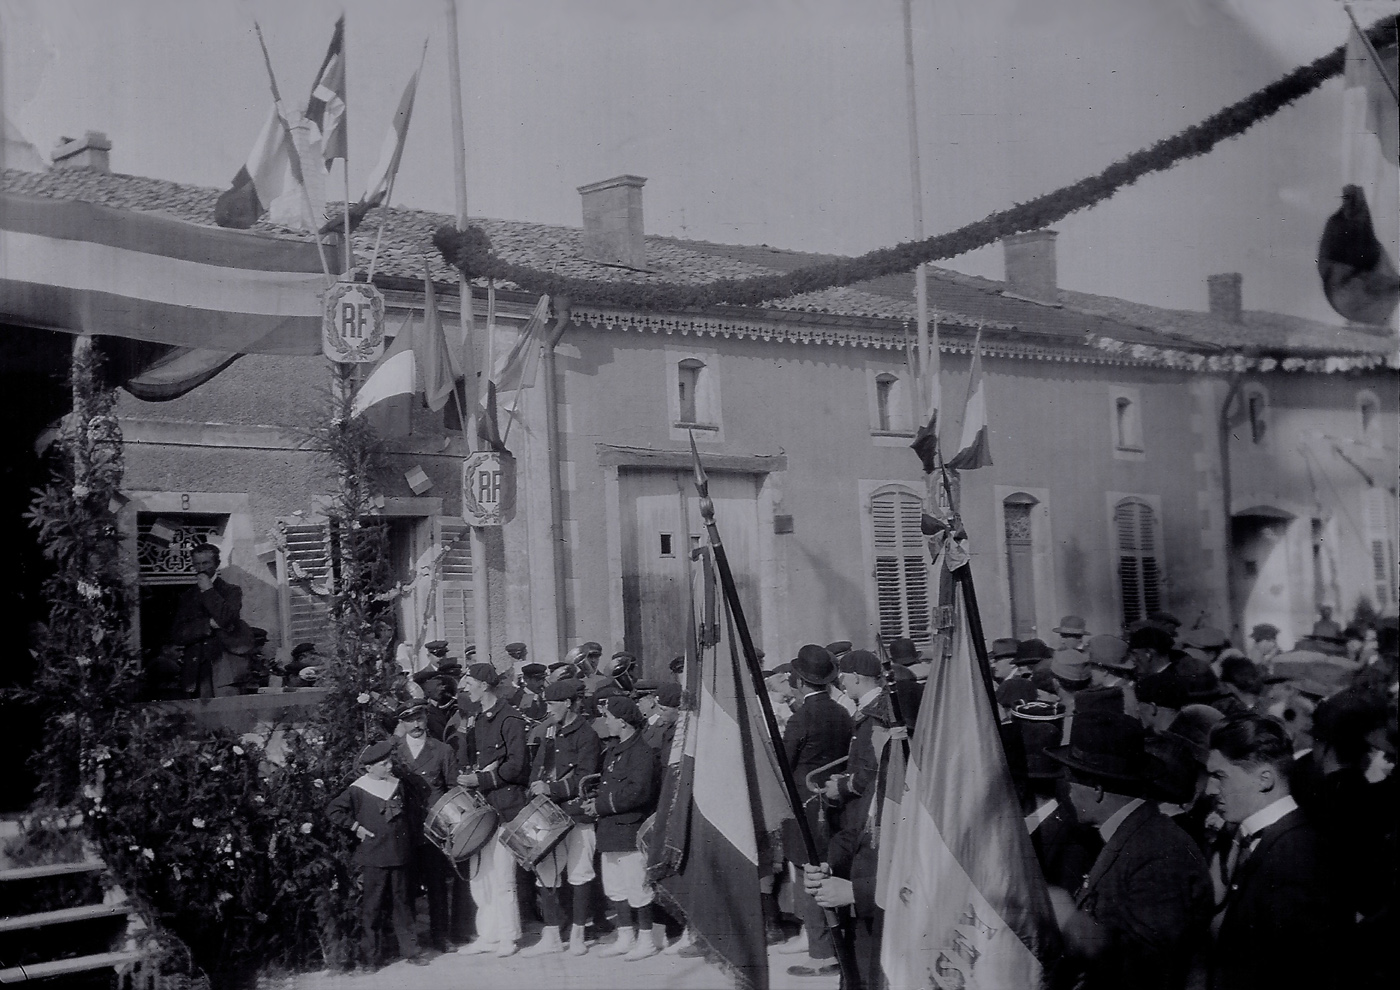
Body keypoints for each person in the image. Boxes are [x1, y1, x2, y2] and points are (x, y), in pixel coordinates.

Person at [1045, 712, 1212, 990]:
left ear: (1097, 789)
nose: (1067, 790)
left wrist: (1072, 922)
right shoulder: (1133, 836)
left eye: (1071, 776)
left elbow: (1150, 967)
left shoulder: (1158, 853)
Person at [1206, 714, 1344, 990]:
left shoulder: (1295, 857)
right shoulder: (1259, 840)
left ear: (1264, 779)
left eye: (1220, 776)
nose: (1211, 789)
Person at [781, 645, 855, 978]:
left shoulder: (800, 717)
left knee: (809, 875)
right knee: (831, 869)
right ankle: (836, 944)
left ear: (799, 681)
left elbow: (786, 762)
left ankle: (821, 953)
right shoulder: (841, 712)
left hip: (807, 805)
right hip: (835, 801)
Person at [327, 739, 430, 969]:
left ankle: (411, 951)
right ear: (369, 768)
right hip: (375, 856)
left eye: (390, 762)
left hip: (400, 855)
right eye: (384, 764)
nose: (389, 767)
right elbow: (333, 809)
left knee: (403, 904)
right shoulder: (358, 789)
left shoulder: (397, 784)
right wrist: (356, 827)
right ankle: (371, 957)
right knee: (372, 907)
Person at [523, 678, 603, 957]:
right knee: (546, 873)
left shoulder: (587, 735)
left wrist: (552, 789)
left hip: (577, 814)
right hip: (550, 815)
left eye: (552, 704)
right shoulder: (551, 731)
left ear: (568, 704)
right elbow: (539, 767)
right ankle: (553, 934)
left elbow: (586, 778)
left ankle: (578, 934)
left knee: (580, 873)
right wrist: (535, 789)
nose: (549, 709)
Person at [455, 662, 529, 957]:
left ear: (484, 685)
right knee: (481, 877)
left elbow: (517, 765)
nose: (465, 688)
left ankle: (509, 936)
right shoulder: (478, 719)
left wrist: (482, 778)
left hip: (506, 807)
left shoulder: (510, 718)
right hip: (484, 808)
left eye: (469, 682)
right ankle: (488, 934)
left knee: (502, 876)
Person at [585, 695, 661, 960]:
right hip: (610, 831)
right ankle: (626, 937)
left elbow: (638, 793)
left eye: (608, 717)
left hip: (630, 831)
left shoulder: (642, 752)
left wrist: (600, 806)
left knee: (638, 888)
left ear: (623, 722)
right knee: (615, 887)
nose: (605, 722)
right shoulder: (615, 751)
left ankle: (647, 940)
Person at [393, 701, 457, 953]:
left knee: (437, 884)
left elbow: (453, 789)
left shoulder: (442, 751)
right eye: (410, 720)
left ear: (426, 719)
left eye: (420, 718)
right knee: (405, 886)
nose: (416, 725)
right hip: (404, 828)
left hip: (433, 828)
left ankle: (440, 935)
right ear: (403, 723)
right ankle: (409, 941)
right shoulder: (394, 751)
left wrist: (449, 825)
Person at [170, 542, 254, 698]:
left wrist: (209, 590)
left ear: (217, 564)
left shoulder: (231, 591)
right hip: (197, 671)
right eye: (196, 564)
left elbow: (225, 620)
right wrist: (207, 624)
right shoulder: (187, 596)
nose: (201, 568)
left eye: (206, 563)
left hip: (226, 668)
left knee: (229, 715)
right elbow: (178, 634)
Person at [823, 650, 894, 833]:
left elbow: (873, 769)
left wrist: (840, 787)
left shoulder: (877, 713)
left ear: (855, 677)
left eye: (843, 677)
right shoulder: (873, 707)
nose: (842, 683)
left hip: (872, 810)